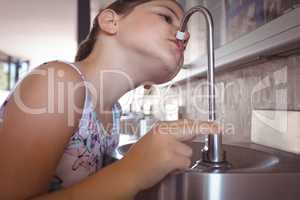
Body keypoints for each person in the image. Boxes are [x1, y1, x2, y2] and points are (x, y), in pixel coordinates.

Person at [0, 0, 218, 199]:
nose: (184, 36)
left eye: (186, 34)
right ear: (110, 21)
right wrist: (131, 172)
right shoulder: (57, 82)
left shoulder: (112, 112)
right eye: (166, 17)